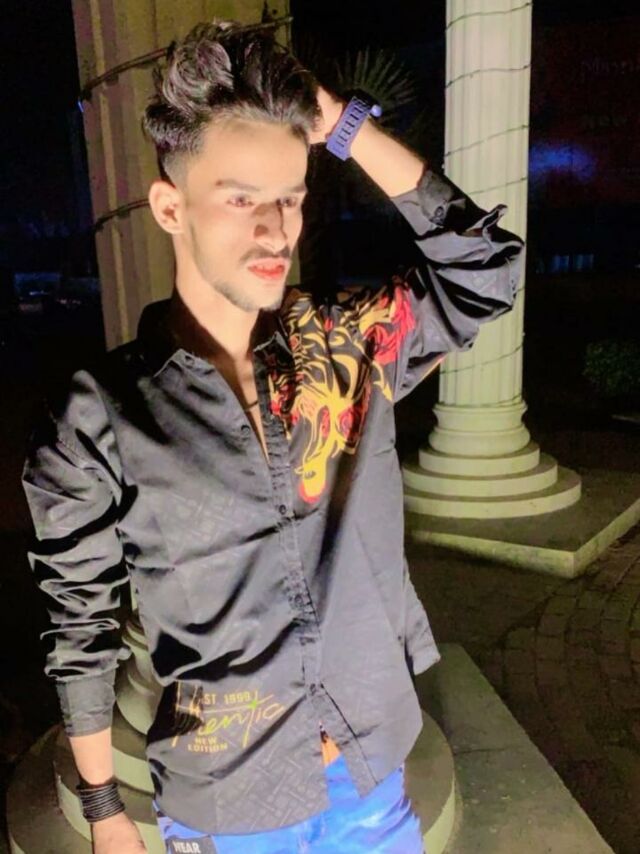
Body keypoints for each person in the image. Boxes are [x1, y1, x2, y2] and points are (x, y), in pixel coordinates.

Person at [23, 19, 524, 854]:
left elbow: (487, 270)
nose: (274, 229)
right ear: (170, 207)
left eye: (289, 197)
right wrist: (105, 809)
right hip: (228, 805)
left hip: (368, 779)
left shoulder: (346, 346)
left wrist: (344, 128)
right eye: (240, 198)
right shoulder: (101, 412)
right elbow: (81, 629)